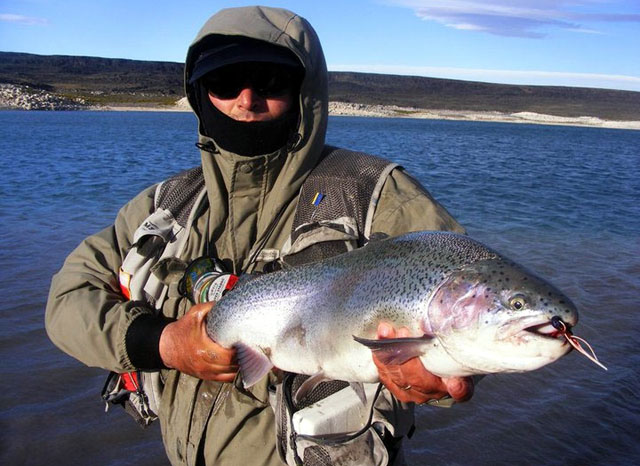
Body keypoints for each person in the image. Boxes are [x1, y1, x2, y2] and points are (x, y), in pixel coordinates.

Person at [45, 6, 473, 466]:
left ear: (304, 91)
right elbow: (68, 300)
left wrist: (440, 375)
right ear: (199, 94)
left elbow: (468, 299)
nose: (246, 101)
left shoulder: (377, 195)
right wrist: (166, 343)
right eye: (225, 83)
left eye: (269, 83)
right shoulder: (166, 205)